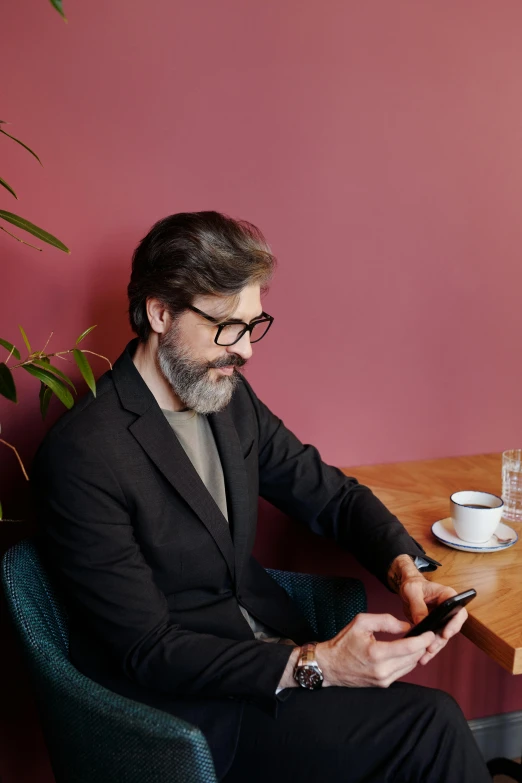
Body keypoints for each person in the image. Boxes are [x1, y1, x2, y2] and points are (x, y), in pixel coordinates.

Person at [33, 211, 490, 782]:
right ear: (160, 313)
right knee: (433, 726)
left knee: (426, 732)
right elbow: (147, 650)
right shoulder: (84, 453)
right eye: (228, 327)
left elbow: (332, 497)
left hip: (274, 656)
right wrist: (317, 664)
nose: (246, 350)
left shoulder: (229, 398)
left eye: (254, 325)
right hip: (188, 715)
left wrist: (408, 573)